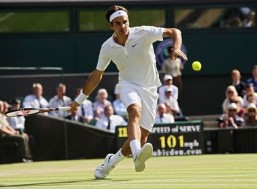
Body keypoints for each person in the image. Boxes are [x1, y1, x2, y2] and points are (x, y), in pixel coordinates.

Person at [69, 5, 187, 179]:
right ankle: (137, 152)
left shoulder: (143, 32)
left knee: (143, 136)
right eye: (118, 23)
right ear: (111, 26)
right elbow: (96, 75)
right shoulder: (107, 47)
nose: (123, 26)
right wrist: (79, 101)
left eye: (125, 22)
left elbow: (174, 31)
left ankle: (109, 163)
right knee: (134, 111)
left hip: (150, 88)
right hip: (127, 84)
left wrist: (176, 48)